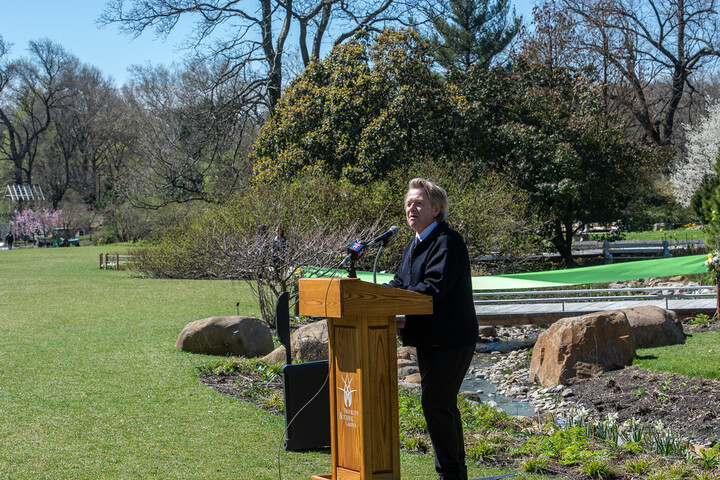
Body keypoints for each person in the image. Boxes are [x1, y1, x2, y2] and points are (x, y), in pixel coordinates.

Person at [388, 178, 478, 480]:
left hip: (451, 339)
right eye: (408, 204)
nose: (411, 209)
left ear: (436, 209)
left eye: (419, 203)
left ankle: (450, 474)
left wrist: (398, 294)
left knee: (436, 404)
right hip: (429, 339)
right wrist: (378, 294)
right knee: (442, 405)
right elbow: (400, 283)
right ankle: (454, 473)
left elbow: (433, 288)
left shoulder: (447, 241)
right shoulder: (413, 244)